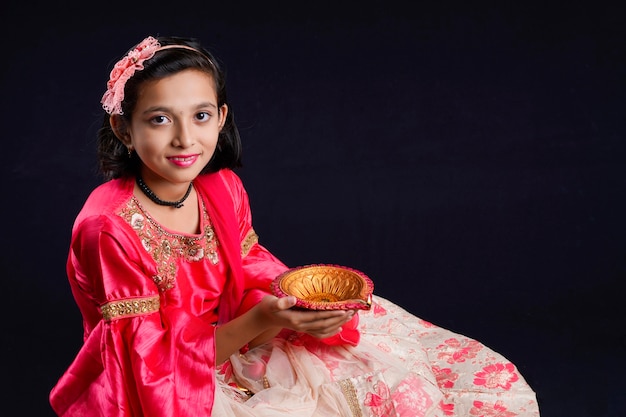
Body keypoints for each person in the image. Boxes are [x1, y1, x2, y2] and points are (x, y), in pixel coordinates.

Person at [50, 35, 540, 416]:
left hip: (235, 333)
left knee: (397, 378)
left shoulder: (221, 187)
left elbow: (248, 265)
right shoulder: (109, 228)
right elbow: (145, 363)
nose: (185, 139)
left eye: (200, 115)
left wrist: (293, 306)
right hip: (163, 380)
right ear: (123, 129)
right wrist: (264, 321)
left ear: (220, 118)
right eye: (159, 119)